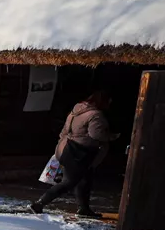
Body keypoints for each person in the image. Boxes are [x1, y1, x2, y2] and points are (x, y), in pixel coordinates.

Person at [31, 90, 121, 218]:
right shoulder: (95, 115)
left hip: (66, 147)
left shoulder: (75, 111)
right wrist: (111, 137)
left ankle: (84, 209)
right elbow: (96, 134)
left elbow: (64, 131)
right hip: (78, 152)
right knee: (69, 182)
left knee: (84, 179)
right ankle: (39, 203)